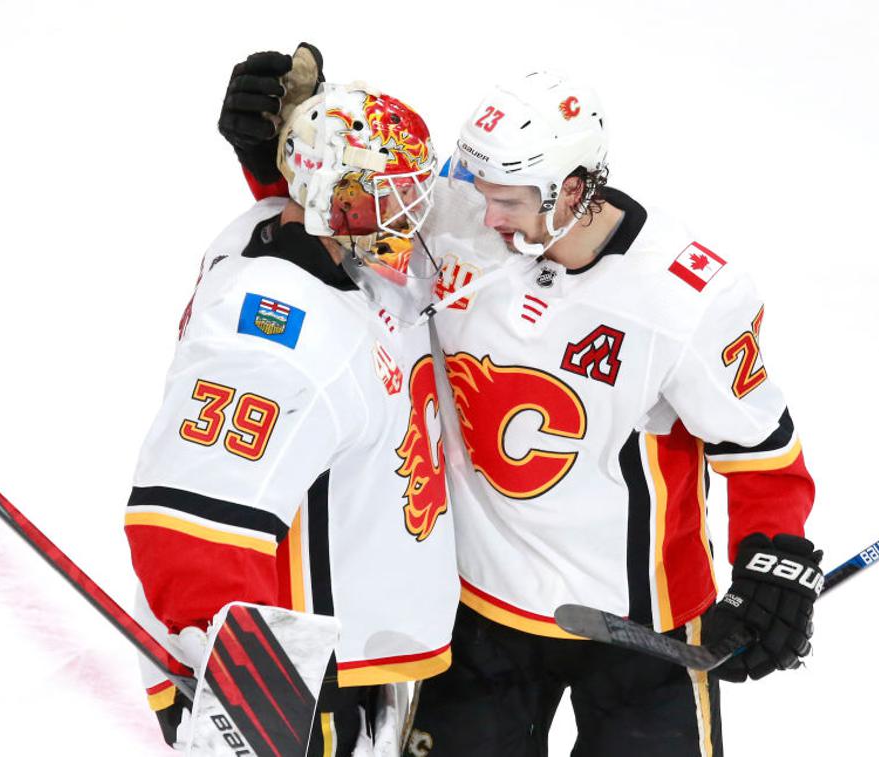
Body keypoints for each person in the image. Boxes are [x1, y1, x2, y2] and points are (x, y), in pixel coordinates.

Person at [223, 48, 821, 756]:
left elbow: (761, 451)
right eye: (477, 188)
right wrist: (271, 156)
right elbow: (340, 217)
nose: (484, 212)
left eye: (507, 200)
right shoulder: (458, 215)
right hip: (481, 612)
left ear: (572, 190)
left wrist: (771, 563)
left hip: (643, 628)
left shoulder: (685, 299)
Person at [126, 75, 459, 756]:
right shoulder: (278, 334)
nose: (410, 211)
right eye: (386, 195)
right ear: (329, 200)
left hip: (347, 665)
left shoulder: (317, 252)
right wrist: (251, 704)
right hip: (293, 688)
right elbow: (191, 525)